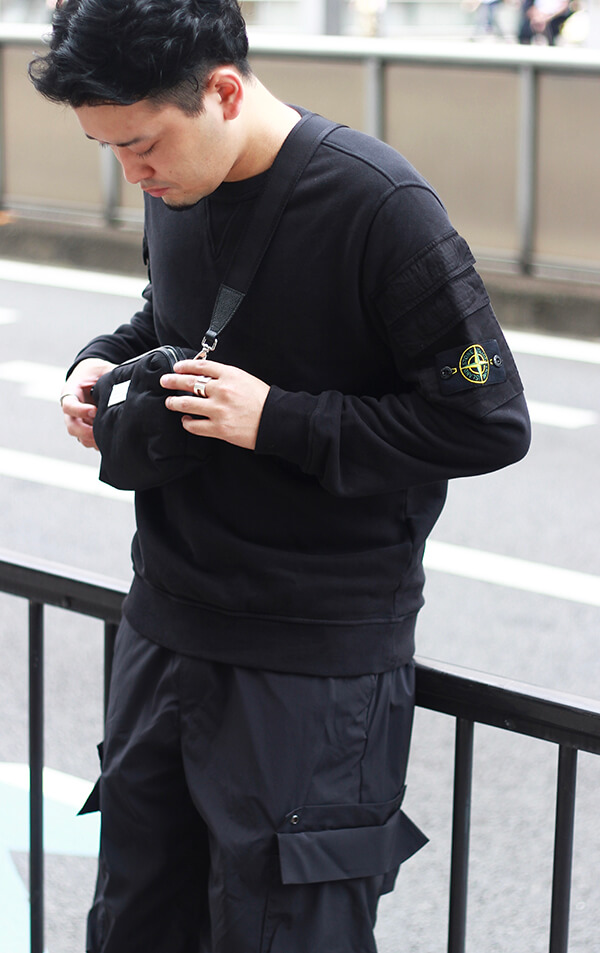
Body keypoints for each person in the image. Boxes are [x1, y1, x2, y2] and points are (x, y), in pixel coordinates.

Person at [29, 2, 531, 951]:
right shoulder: (179, 180)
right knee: (134, 921)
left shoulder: (382, 207)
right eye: (109, 149)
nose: (132, 174)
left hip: (312, 664)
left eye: (140, 144)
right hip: (162, 628)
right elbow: (168, 319)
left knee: (285, 932)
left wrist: (279, 422)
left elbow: (488, 418)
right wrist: (97, 363)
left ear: (222, 92)